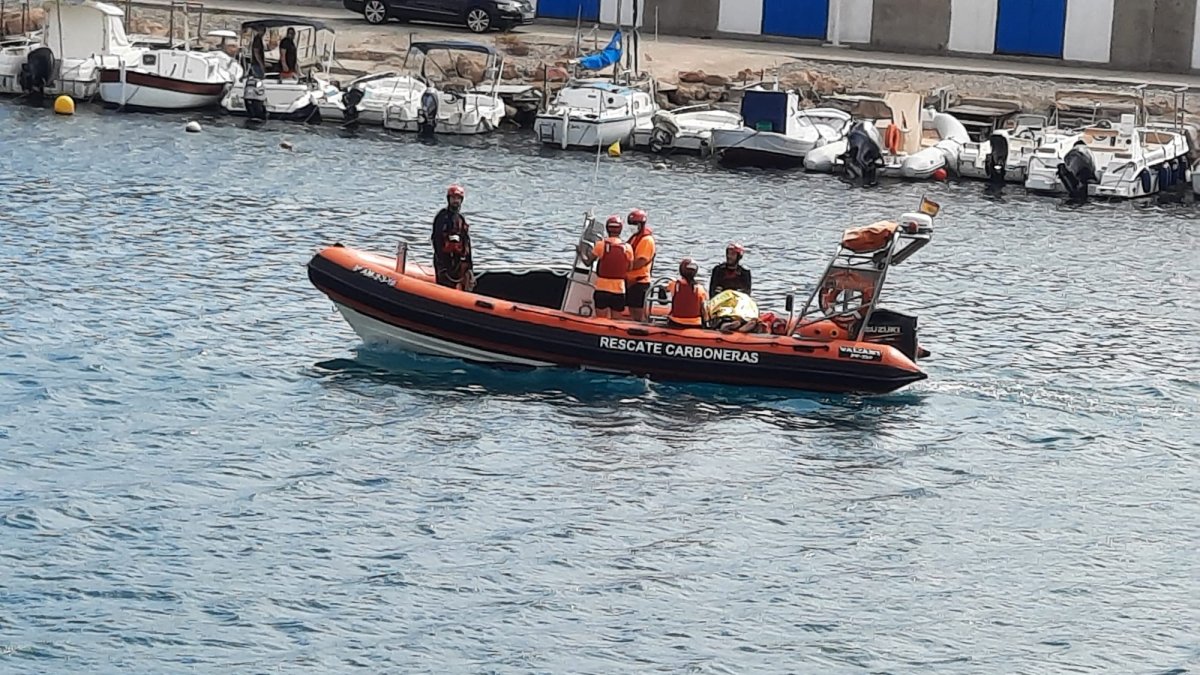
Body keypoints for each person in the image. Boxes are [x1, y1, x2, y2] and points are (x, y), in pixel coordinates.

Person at [578, 215, 633, 319]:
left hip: (602, 289)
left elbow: (588, 262)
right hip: (619, 290)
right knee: (616, 321)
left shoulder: (600, 245)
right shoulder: (628, 247)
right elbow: (629, 268)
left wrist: (581, 252)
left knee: (601, 319)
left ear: (607, 229)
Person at [431, 184, 474, 291]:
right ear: (448, 199)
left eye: (458, 198)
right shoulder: (442, 217)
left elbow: (466, 243)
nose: (456, 201)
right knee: (444, 286)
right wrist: (442, 263)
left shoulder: (461, 219)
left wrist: (469, 266)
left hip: (458, 261)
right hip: (444, 261)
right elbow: (436, 239)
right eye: (453, 198)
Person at [624, 208, 655, 323]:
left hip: (639, 281)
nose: (631, 227)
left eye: (634, 224)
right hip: (630, 280)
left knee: (638, 311)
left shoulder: (646, 240)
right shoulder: (635, 237)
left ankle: (642, 328)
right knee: (631, 308)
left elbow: (642, 261)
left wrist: (624, 267)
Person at [669, 258, 708, 329]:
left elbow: (667, 289)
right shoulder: (700, 288)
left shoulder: (674, 285)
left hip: (675, 322)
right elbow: (704, 308)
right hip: (696, 324)